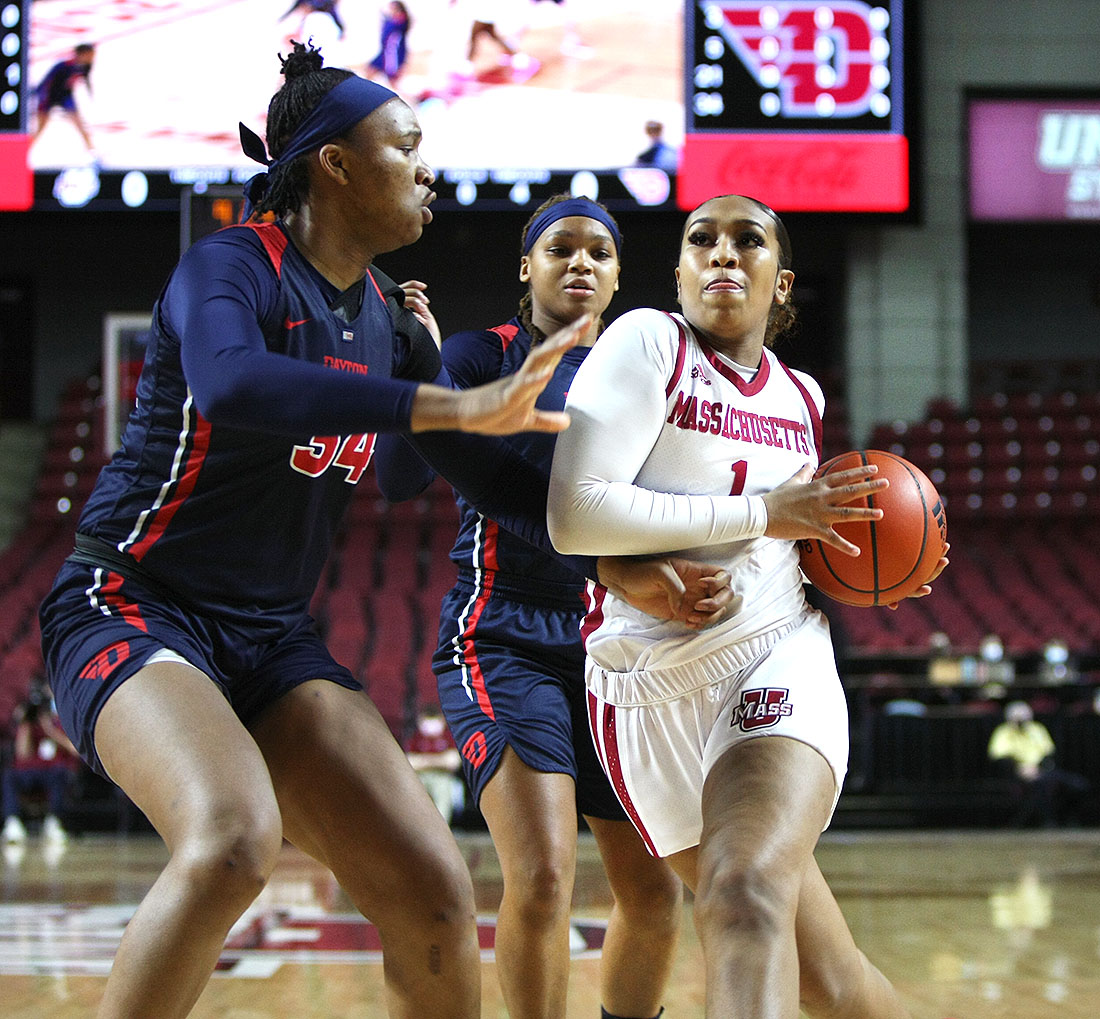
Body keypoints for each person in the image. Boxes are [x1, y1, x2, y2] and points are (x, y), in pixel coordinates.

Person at [38, 44, 730, 1019]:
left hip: (270, 639)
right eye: (406, 143)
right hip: (130, 604)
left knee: (433, 896)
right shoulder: (231, 265)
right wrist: (441, 402)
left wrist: (631, 565)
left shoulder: (388, 322)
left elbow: (437, 476)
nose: (426, 166)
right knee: (234, 837)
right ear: (335, 161)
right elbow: (233, 383)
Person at [548, 194, 949, 1018]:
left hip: (773, 654)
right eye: (703, 240)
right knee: (828, 980)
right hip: (641, 691)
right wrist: (759, 517)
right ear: (681, 270)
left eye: (748, 241)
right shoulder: (648, 342)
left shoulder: (800, 397)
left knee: (741, 891)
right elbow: (573, 513)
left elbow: (796, 542)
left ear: (782, 279)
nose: (723, 254)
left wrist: (881, 560)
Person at [383, 195, 688, 1019]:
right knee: (546, 874)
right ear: (528, 266)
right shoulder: (483, 353)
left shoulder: (661, 369)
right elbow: (399, 477)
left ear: (621, 274)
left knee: (656, 890)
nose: (580, 262)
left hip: (622, 644)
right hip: (505, 632)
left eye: (599, 251)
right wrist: (421, 372)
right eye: (561, 248)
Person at [988, 700, 1088, 828]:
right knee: (1041, 786)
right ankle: (1049, 822)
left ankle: (1069, 819)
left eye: (1024, 718)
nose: (1021, 722)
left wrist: (1039, 768)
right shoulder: (1003, 732)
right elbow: (999, 757)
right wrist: (1019, 768)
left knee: (1078, 785)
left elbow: (1049, 753)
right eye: (1018, 719)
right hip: (1018, 773)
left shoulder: (1037, 729)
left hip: (1043, 771)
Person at [2, 682, 80, 845]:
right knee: (9, 776)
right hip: (30, 771)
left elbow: (74, 750)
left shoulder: (61, 721)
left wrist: (50, 730)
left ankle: (54, 821)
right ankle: (13, 822)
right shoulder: (28, 724)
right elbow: (23, 754)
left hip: (54, 770)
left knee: (59, 774)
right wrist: (25, 724)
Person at [31, 43, 97, 159]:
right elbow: (46, 82)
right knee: (41, 127)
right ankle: (25, 148)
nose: (93, 57)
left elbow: (85, 78)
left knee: (79, 123)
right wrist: (40, 98)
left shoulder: (86, 66)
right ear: (83, 54)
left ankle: (91, 151)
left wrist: (90, 93)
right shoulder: (64, 65)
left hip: (66, 96)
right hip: (49, 96)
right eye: (91, 54)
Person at [367, 2, 413, 88]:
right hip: (384, 52)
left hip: (392, 54)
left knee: (393, 80)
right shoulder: (391, 20)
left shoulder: (400, 21)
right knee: (370, 71)